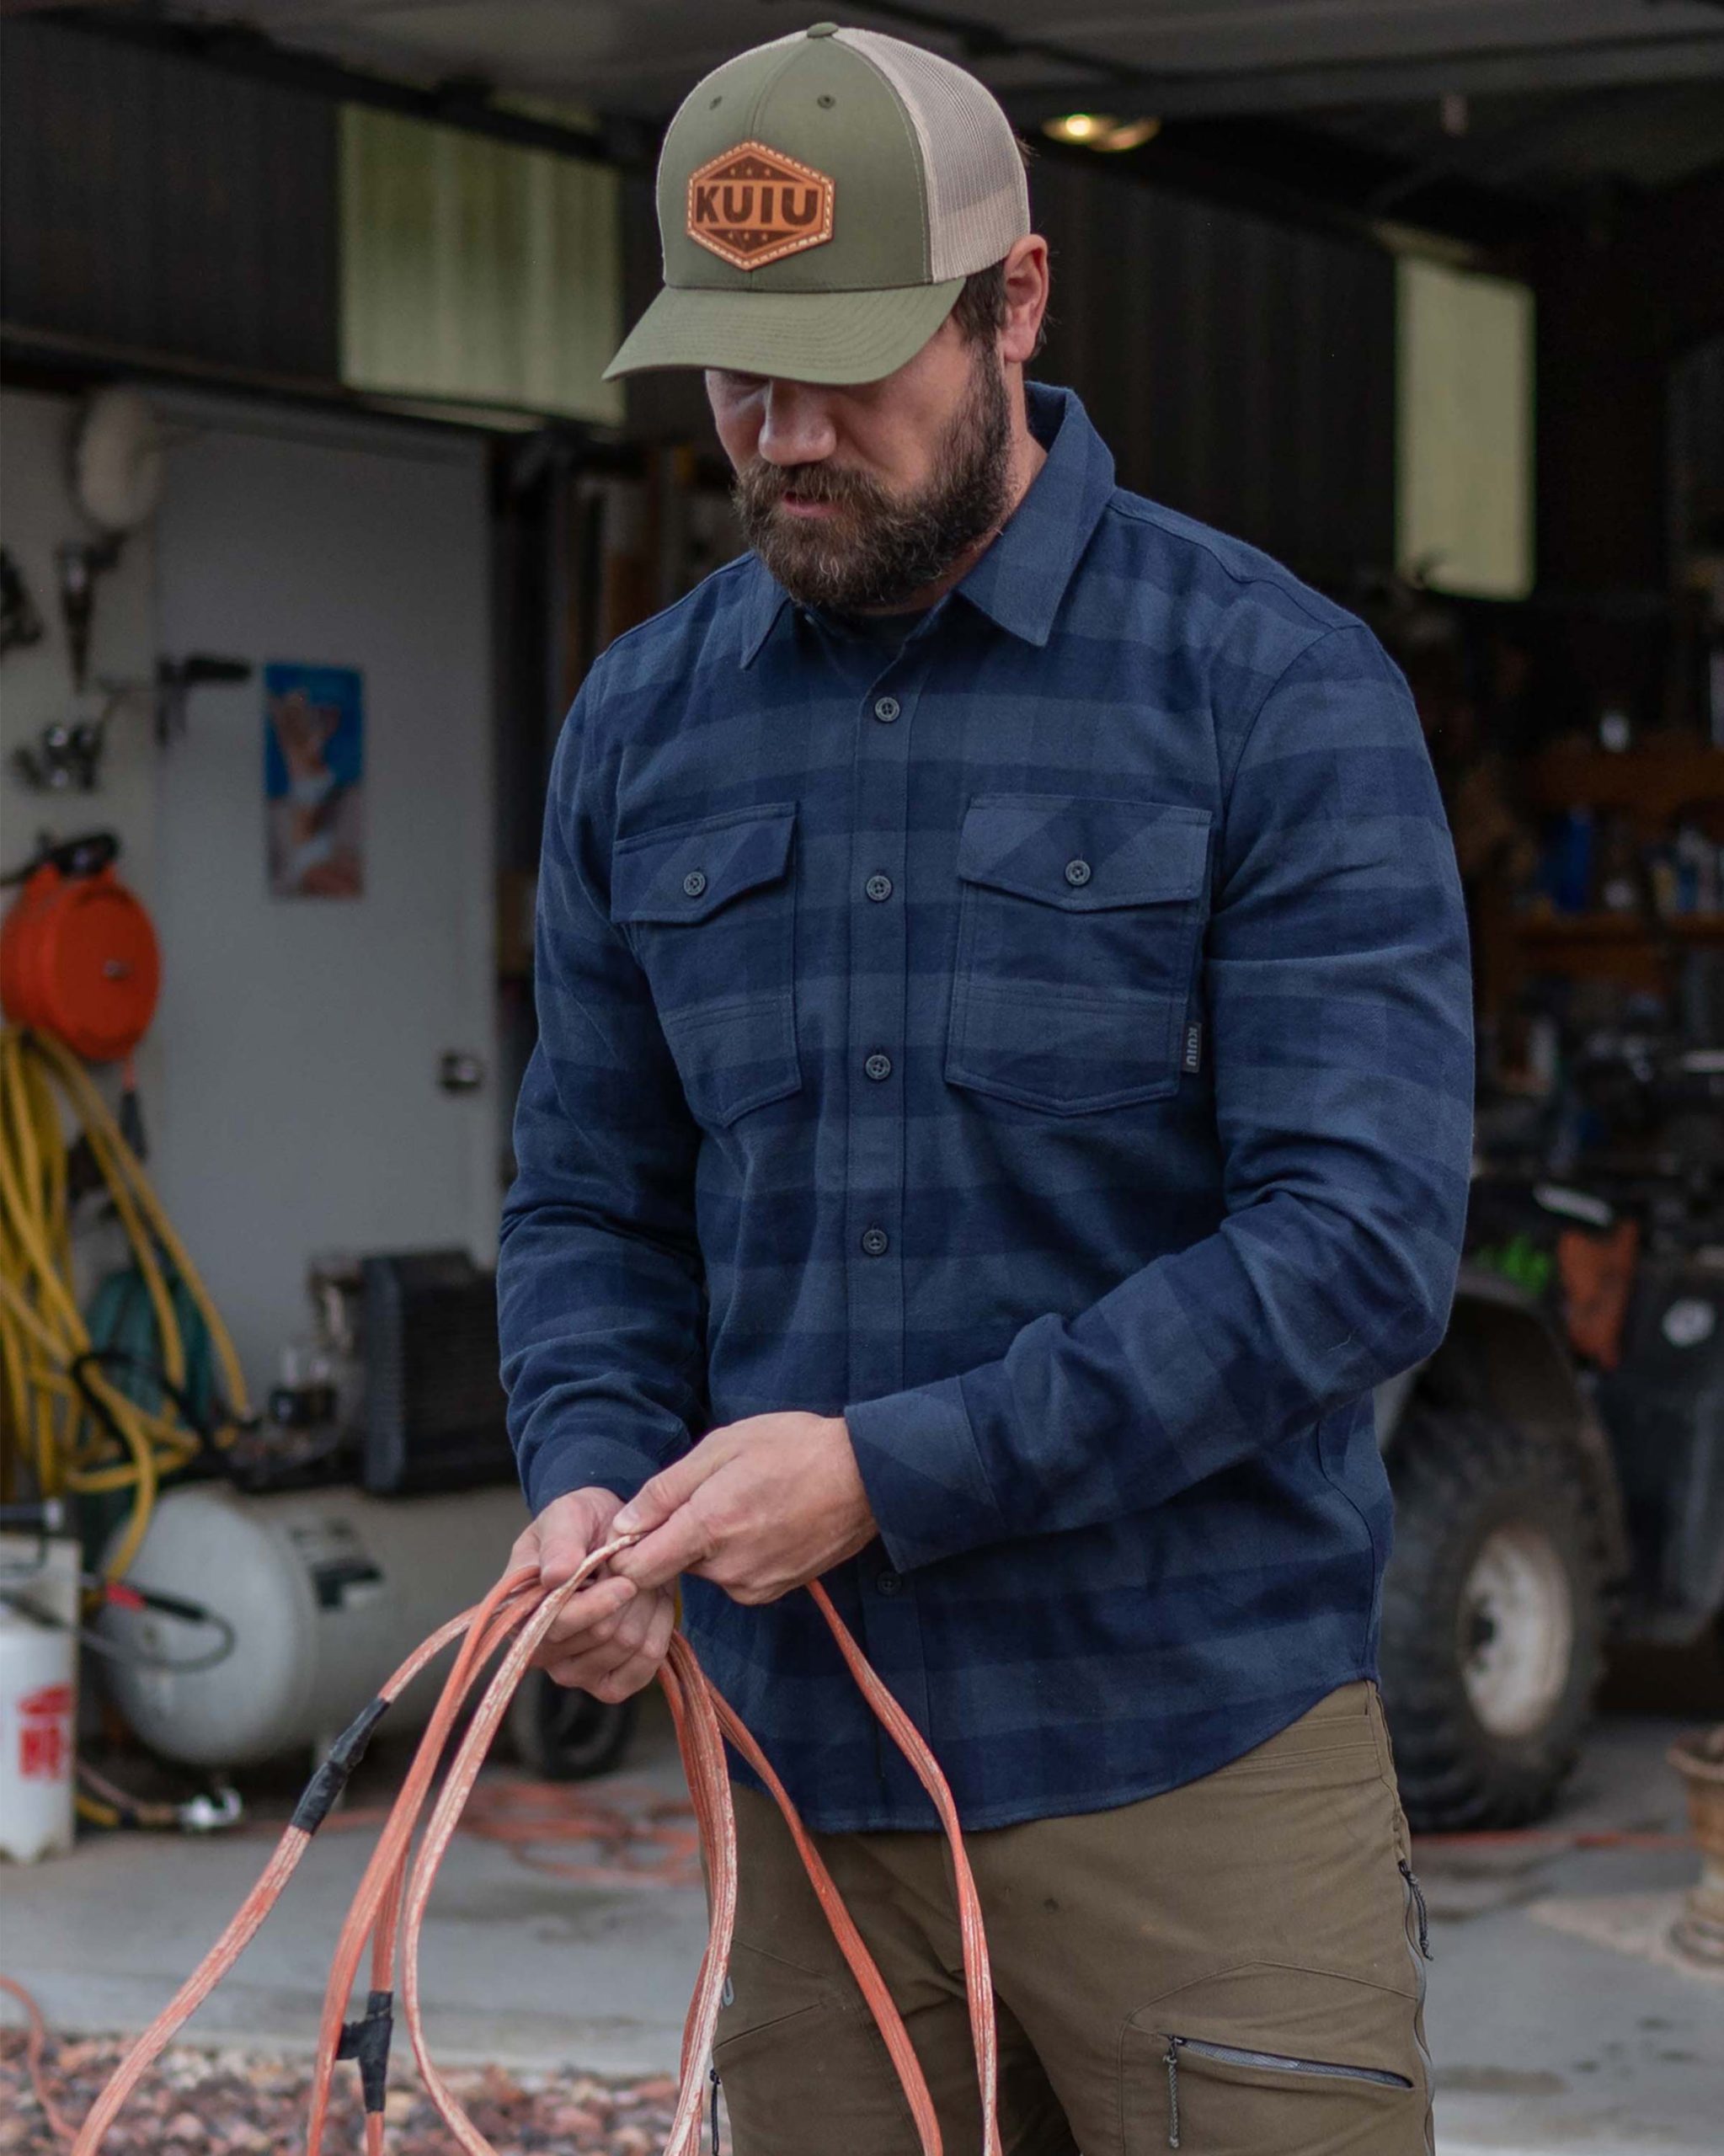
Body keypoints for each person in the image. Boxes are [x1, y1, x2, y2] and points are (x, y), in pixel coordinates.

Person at [497, 23, 1472, 2155]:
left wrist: (888, 1471)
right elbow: (588, 1195)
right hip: (808, 1795)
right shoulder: (640, 728)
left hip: (1193, 1761)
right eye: (736, 378)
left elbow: (1359, 1244)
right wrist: (588, 1467)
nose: (786, 434)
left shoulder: (1268, 690)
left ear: (1014, 300)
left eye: (846, 364)